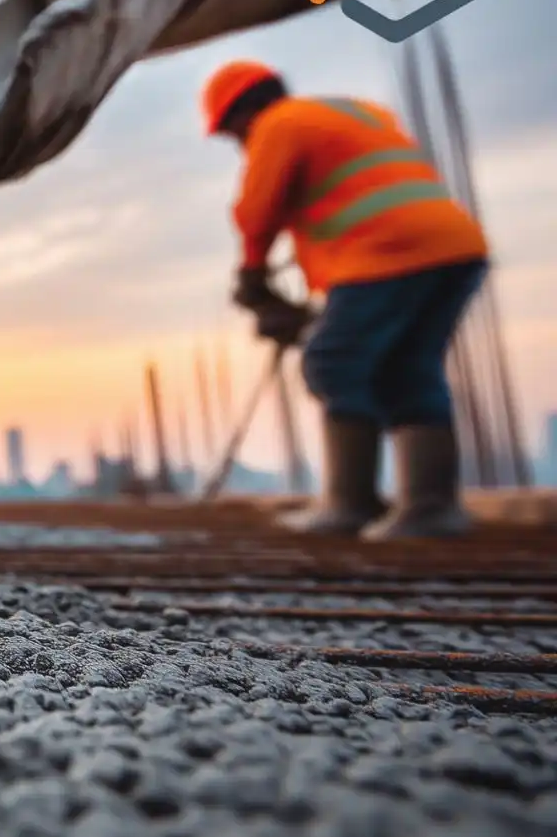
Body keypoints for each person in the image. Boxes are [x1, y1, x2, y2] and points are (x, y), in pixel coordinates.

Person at [202, 60, 490, 540]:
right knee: (410, 368)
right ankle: (431, 507)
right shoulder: (356, 112)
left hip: (388, 252)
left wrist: (252, 276)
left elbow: (257, 210)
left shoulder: (278, 124)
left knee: (332, 361)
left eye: (232, 135)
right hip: (456, 248)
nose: (237, 145)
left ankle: (350, 505)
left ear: (242, 114)